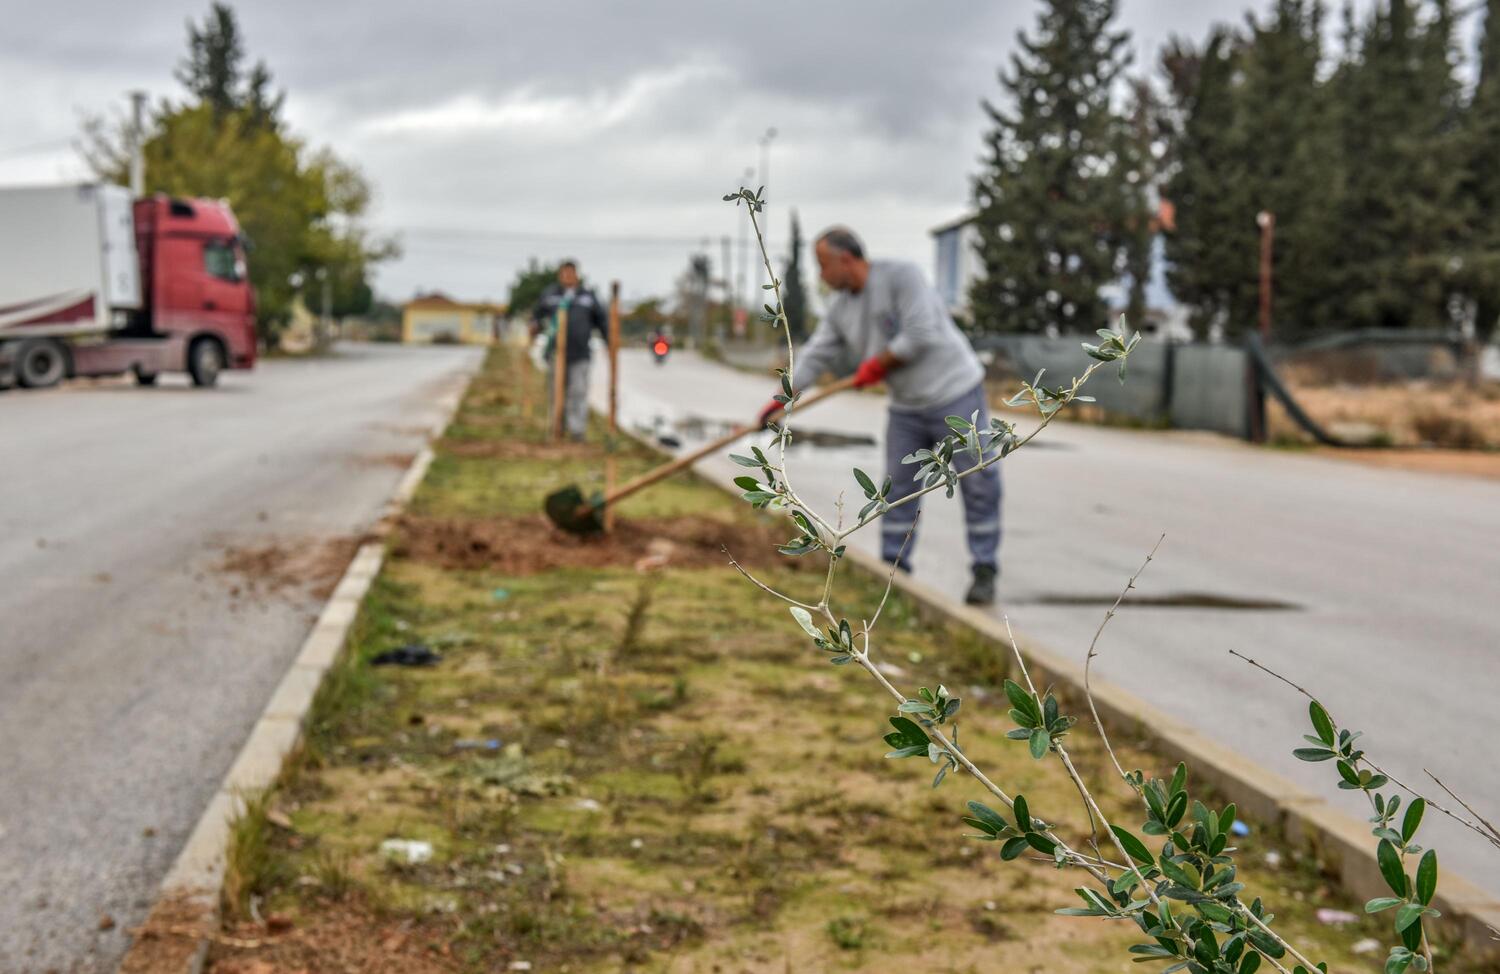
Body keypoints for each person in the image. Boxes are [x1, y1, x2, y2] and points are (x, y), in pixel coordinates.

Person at [755, 227, 1002, 605]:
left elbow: (921, 333)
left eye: (822, 266)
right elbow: (816, 354)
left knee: (979, 480)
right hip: (906, 407)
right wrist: (782, 399)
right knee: (897, 487)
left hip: (955, 394)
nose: (820, 276)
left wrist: (876, 365)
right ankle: (894, 571)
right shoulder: (840, 309)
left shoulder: (903, 277)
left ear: (846, 260)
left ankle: (984, 569)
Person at [531, 261, 607, 440]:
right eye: (564, 273)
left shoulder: (587, 297)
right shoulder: (550, 295)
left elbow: (602, 321)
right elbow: (536, 316)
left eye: (570, 273)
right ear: (560, 275)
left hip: (580, 354)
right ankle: (556, 427)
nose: (567, 276)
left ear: (576, 275)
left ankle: (577, 431)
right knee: (556, 392)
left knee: (578, 392)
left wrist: (609, 342)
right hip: (556, 354)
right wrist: (533, 327)